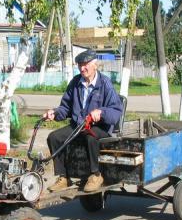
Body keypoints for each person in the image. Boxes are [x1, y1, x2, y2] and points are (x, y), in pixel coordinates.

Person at [42, 49, 123, 193]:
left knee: (90, 136)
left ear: (95, 65)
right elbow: (65, 108)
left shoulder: (105, 83)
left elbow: (116, 111)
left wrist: (101, 112)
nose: (82, 68)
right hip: (78, 125)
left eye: (85, 65)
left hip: (100, 127)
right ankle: (64, 177)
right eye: (79, 65)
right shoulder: (75, 82)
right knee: (54, 137)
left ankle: (96, 175)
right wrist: (54, 113)